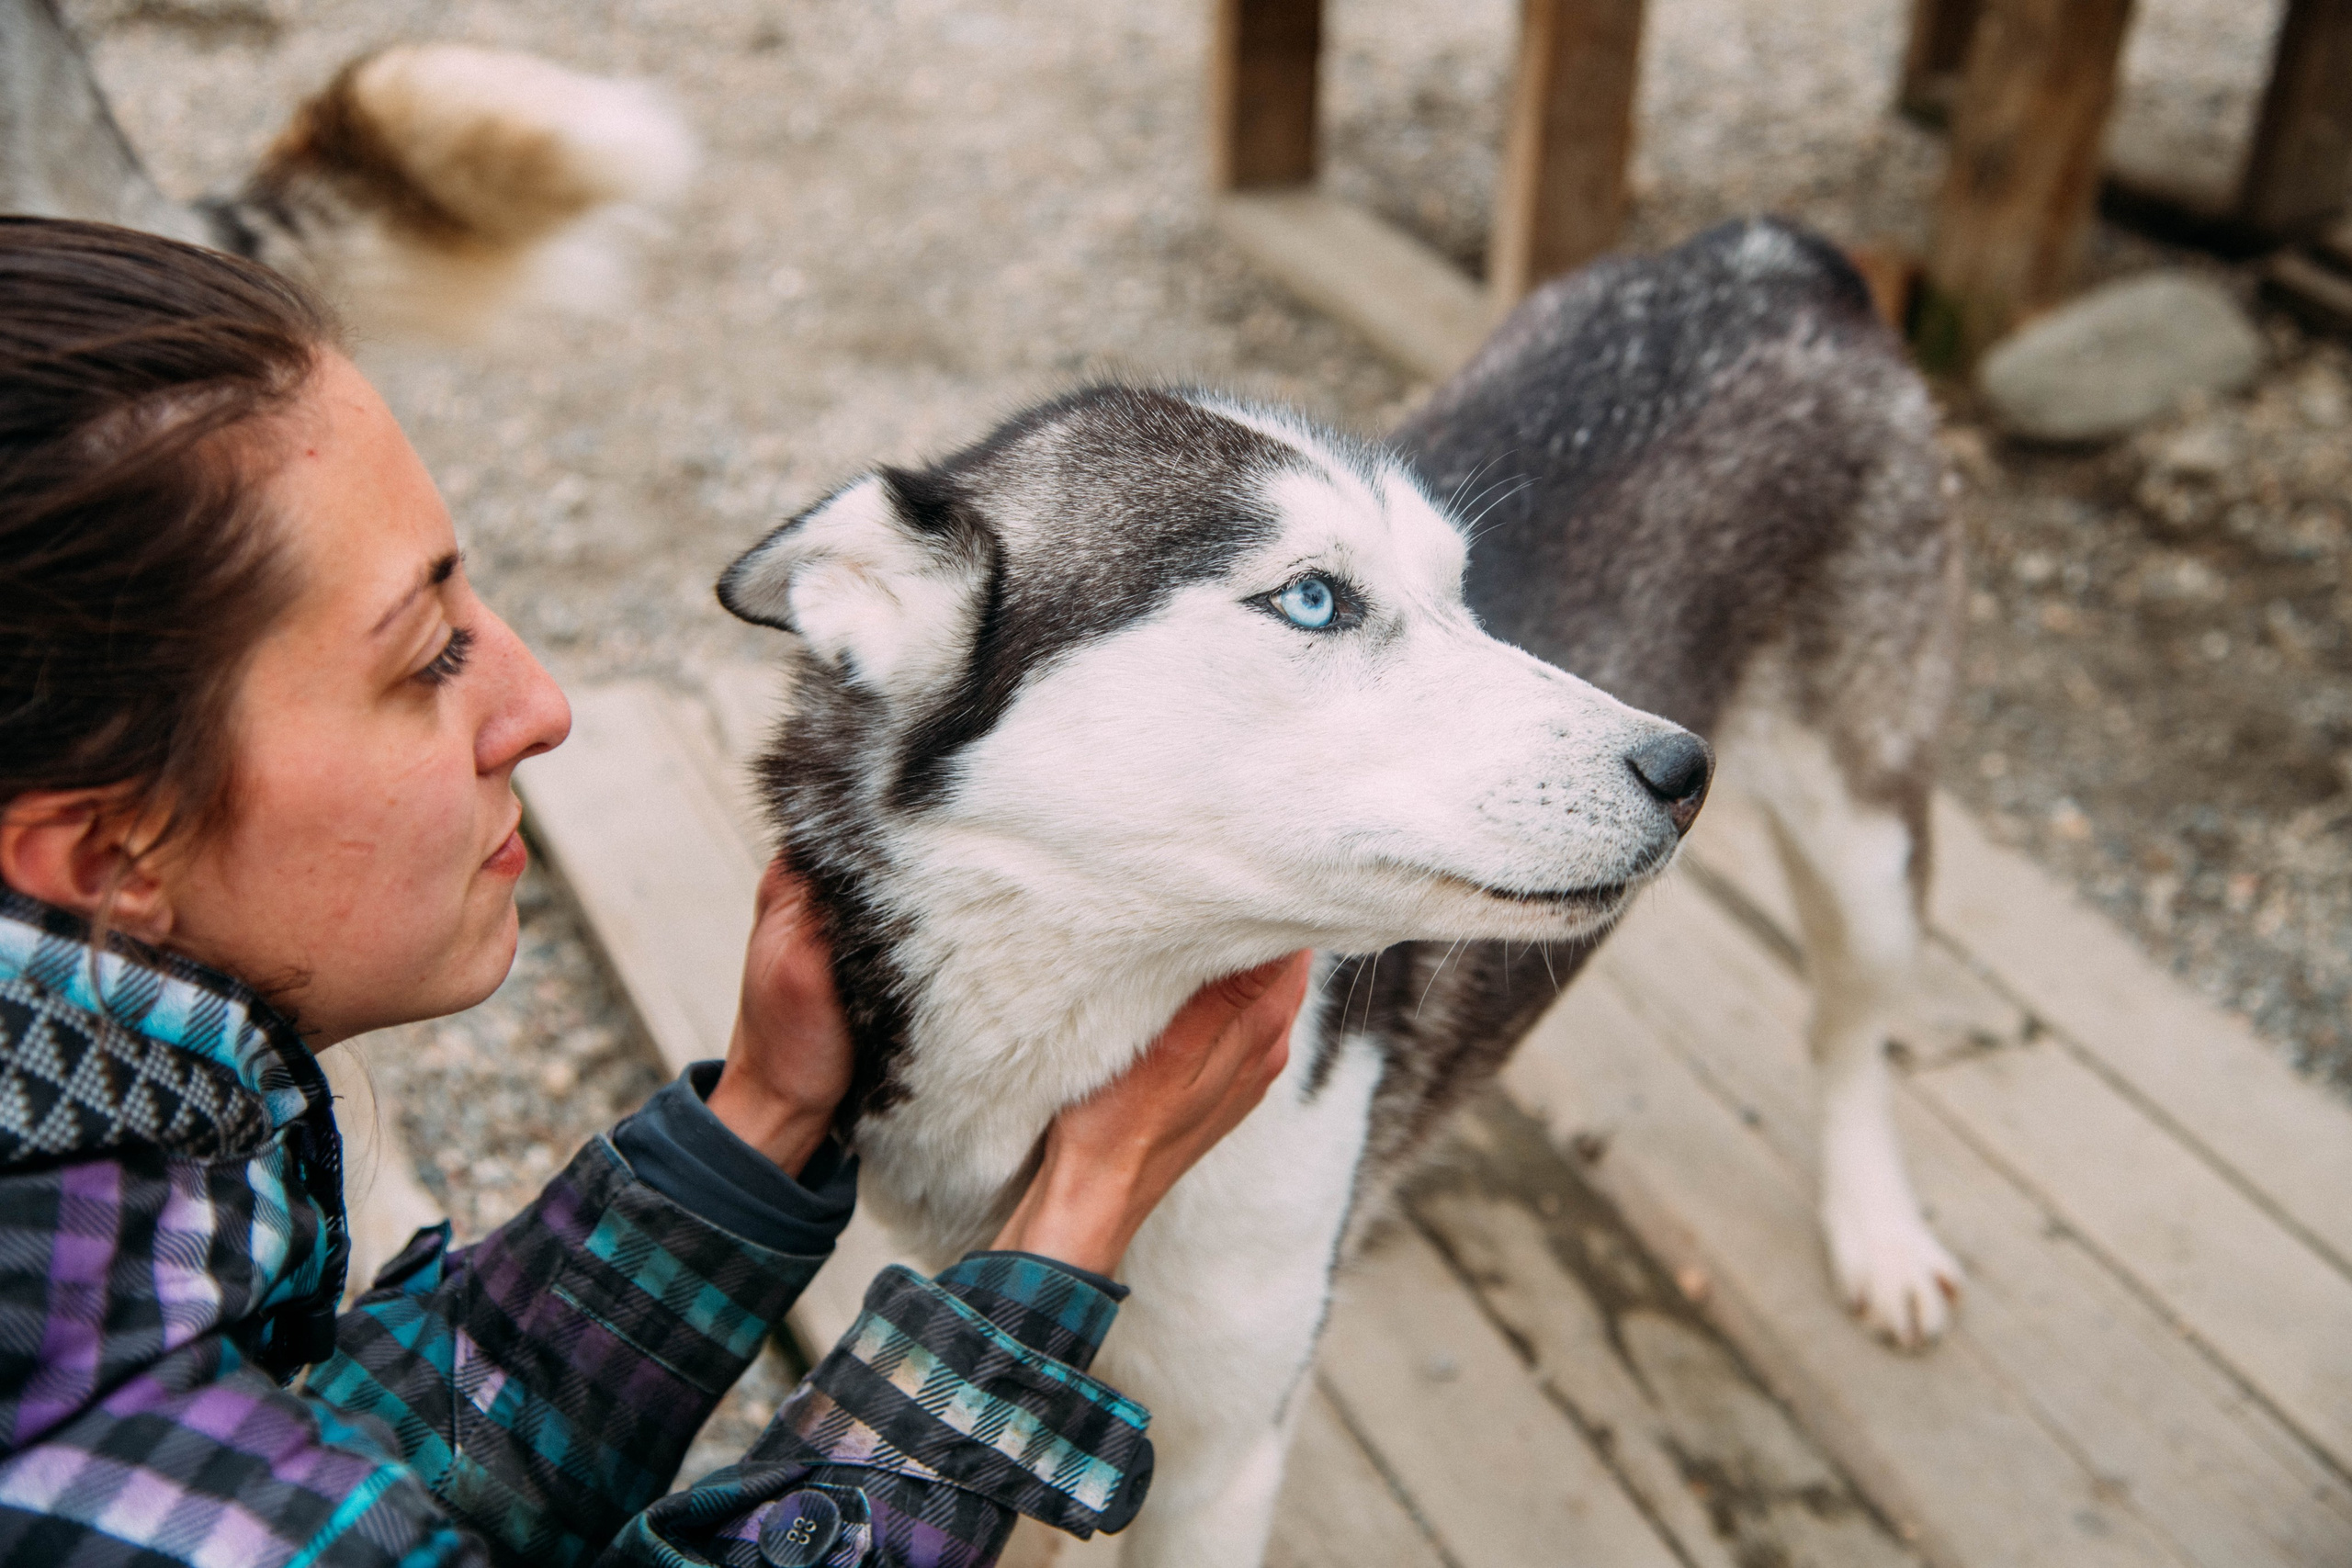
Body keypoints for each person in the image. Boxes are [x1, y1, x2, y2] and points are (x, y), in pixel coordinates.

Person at [0, 216, 1312, 1568]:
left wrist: (757, 1118)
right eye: (425, 658)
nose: (542, 708)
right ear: (107, 859)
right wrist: (1066, 1228)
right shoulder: (61, 1461)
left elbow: (317, 1462)